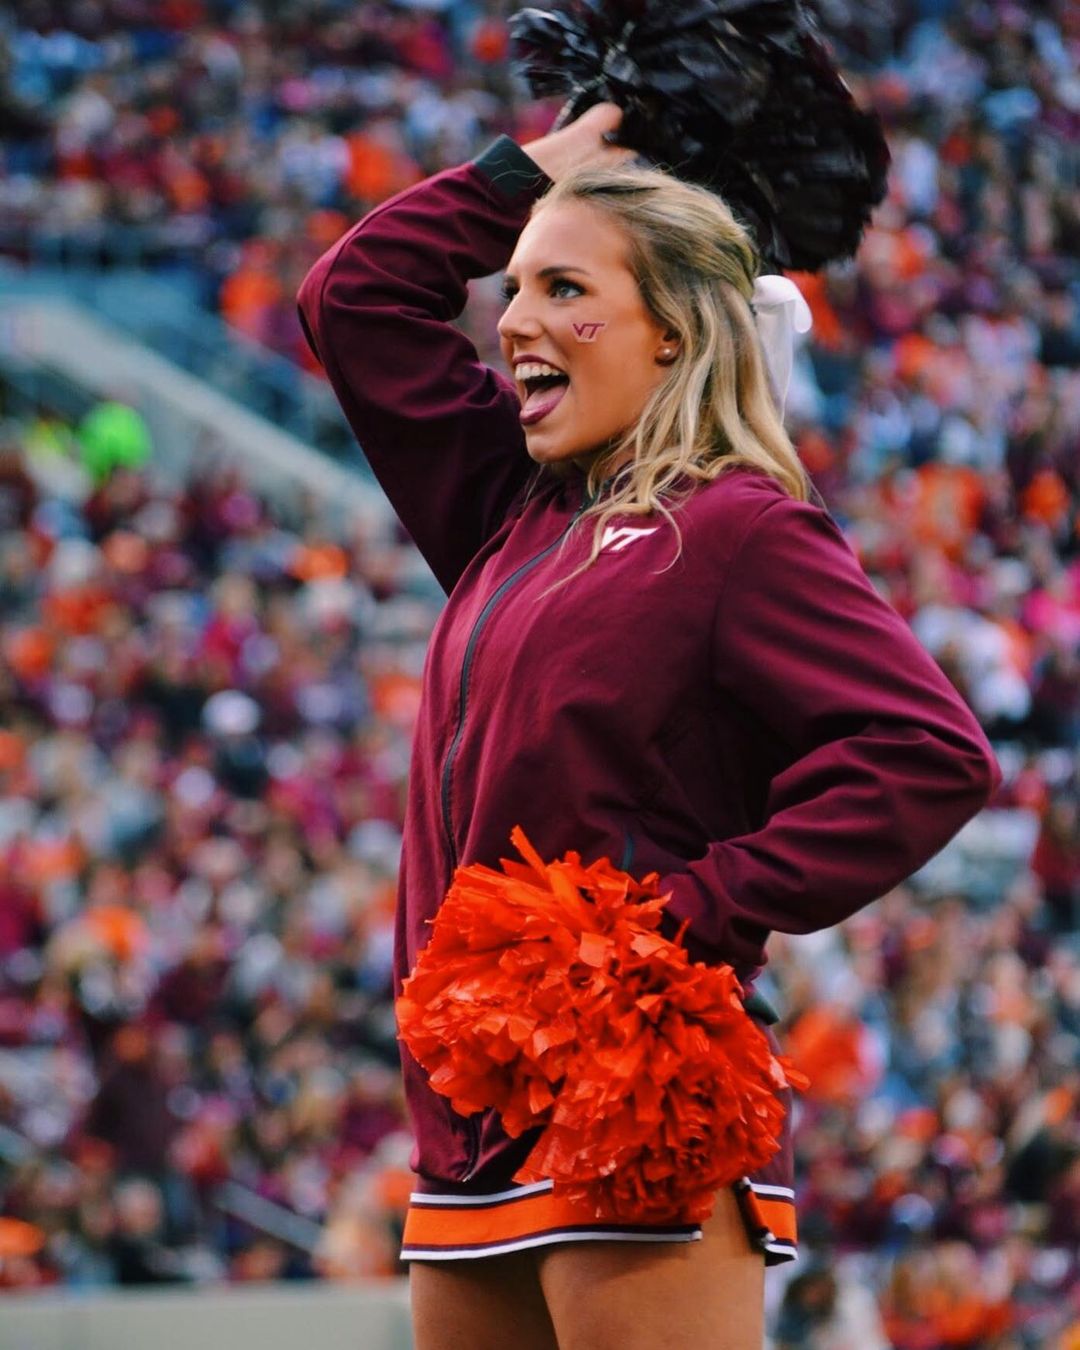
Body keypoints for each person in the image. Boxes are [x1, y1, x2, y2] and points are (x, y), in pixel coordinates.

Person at [297, 103, 1001, 1350]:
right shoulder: (509, 510)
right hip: (466, 1113)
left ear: (673, 331)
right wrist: (531, 170)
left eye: (563, 287)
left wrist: (684, 913)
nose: (511, 322)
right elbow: (355, 301)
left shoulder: (739, 528)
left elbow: (927, 753)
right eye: (511, 286)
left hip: (636, 1101)